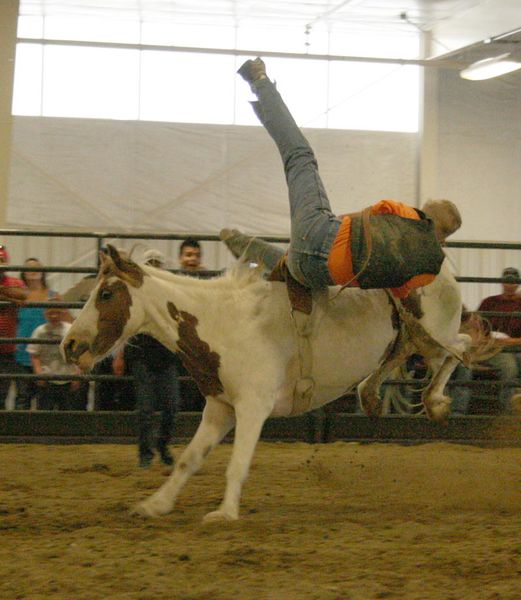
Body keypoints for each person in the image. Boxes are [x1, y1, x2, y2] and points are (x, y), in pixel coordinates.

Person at [236, 58, 462, 298]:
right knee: (296, 262)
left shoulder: (407, 215)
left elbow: (363, 218)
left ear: (425, 214)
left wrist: (324, 223)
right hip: (315, 274)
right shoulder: (428, 272)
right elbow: (395, 289)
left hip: (320, 236)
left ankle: (259, 80)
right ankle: (261, 251)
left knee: (300, 156)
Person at [124, 249, 183, 468]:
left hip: (164, 356)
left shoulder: (168, 294)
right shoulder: (136, 293)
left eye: (157, 264)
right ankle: (148, 453)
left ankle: (159, 446)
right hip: (142, 355)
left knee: (171, 407)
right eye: (152, 263)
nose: (155, 267)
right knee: (147, 408)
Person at [15, 258, 62, 410]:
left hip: (46, 356)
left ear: (43, 272)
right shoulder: (17, 296)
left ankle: (41, 433)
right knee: (23, 397)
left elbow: (66, 321)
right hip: (22, 355)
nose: (33, 270)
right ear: (23, 273)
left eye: (37, 267)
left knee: (45, 400)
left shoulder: (54, 296)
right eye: (29, 267)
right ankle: (20, 433)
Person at [476, 267, 521, 413]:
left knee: (512, 364)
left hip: (512, 346)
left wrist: (508, 342)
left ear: (517, 284)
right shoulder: (489, 303)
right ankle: (509, 412)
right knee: (510, 367)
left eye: (513, 282)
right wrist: (489, 341)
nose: (510, 285)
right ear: (502, 283)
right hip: (494, 348)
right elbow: (477, 330)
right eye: (507, 281)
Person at [27, 301, 81, 410]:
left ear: (63, 313)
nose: (54, 316)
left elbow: (78, 355)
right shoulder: (40, 331)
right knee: (45, 414)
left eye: (57, 312)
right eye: (51, 312)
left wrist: (77, 375)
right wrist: (38, 372)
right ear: (45, 313)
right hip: (47, 377)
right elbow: (34, 354)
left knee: (67, 414)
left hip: (67, 377)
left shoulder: (70, 330)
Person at [0, 245, 27, 409]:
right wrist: (7, 294)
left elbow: (23, 295)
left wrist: (3, 291)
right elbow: (16, 296)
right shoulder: (12, 284)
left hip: (7, 349)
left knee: (2, 392)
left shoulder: (15, 281)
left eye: (1, 260)